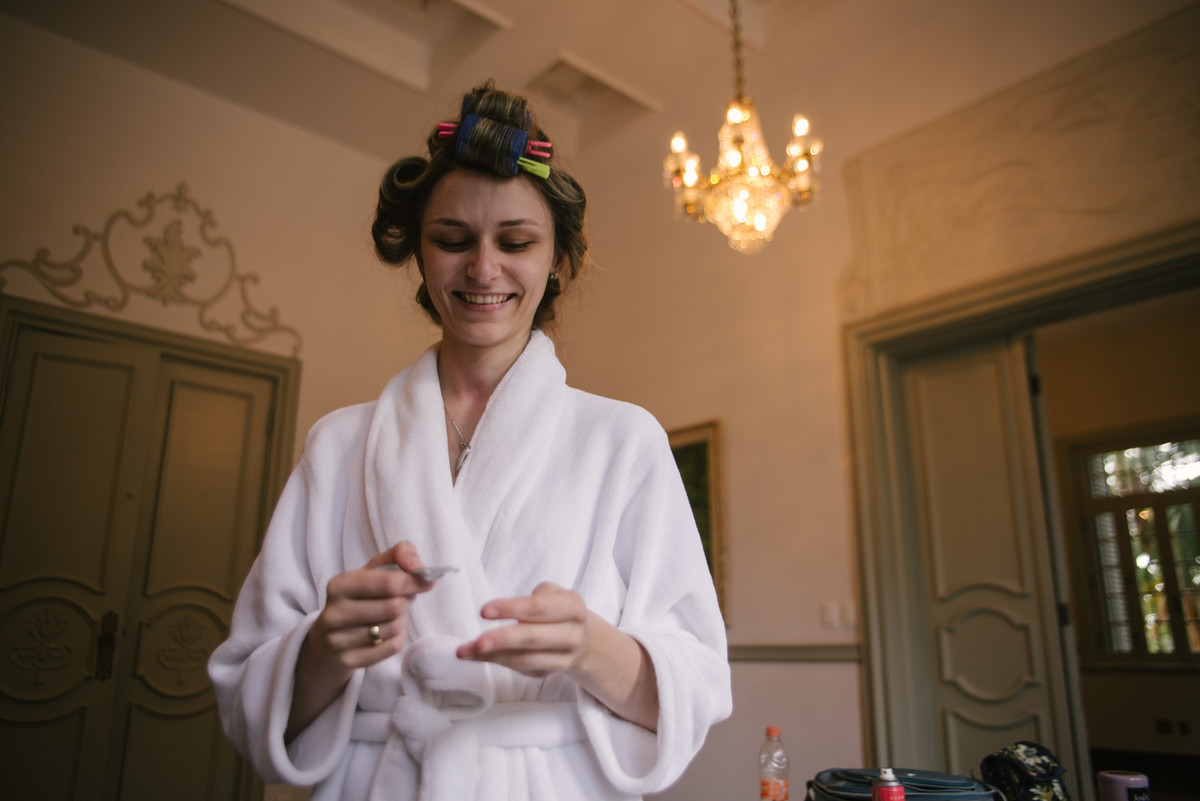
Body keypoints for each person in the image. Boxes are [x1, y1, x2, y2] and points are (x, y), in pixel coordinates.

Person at [208, 82, 732, 801]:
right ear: (420, 256)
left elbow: (697, 686)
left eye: (515, 242)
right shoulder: (337, 446)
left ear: (559, 262)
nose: (483, 269)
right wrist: (324, 646)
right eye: (452, 240)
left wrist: (592, 647)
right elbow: (246, 698)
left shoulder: (623, 441)